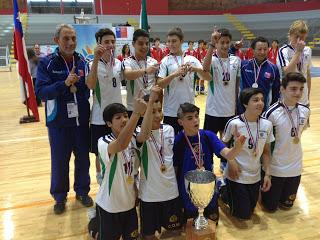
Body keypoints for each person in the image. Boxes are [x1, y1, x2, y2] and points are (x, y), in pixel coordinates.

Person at [36, 24, 93, 214]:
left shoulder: (82, 60)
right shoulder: (47, 63)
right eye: (66, 39)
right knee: (60, 161)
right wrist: (64, 83)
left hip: (81, 122)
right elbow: (42, 92)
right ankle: (60, 197)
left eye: (73, 38)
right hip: (58, 123)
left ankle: (82, 191)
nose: (70, 42)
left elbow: (86, 88)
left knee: (83, 160)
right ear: (56, 41)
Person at [173, 103, 245, 224]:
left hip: (209, 191)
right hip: (188, 193)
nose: (195, 120)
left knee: (212, 225)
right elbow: (175, 167)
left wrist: (237, 148)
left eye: (196, 116)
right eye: (190, 118)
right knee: (193, 227)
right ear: (181, 122)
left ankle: (220, 187)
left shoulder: (208, 136)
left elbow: (229, 155)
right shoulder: (178, 141)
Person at [95, 93, 148, 240]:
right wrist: (136, 114)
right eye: (118, 117)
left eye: (125, 116)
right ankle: (94, 226)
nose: (124, 120)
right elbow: (120, 144)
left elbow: (145, 132)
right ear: (108, 123)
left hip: (129, 205)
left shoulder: (133, 136)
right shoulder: (103, 141)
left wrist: (147, 107)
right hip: (109, 207)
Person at [136, 87, 182, 239]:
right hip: (149, 195)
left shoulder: (169, 129)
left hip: (170, 191)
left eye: (159, 110)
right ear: (145, 113)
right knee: (148, 236)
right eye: (153, 111)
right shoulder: (137, 132)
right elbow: (143, 135)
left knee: (174, 232)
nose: (158, 115)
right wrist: (148, 104)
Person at [261, 72, 310, 212]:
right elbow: (265, 145)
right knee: (270, 208)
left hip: (295, 166)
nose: (298, 92)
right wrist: (267, 172)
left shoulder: (305, 111)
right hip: (275, 168)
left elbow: (300, 132)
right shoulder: (271, 113)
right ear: (282, 89)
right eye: (293, 89)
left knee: (287, 206)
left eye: (301, 89)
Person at [222, 88, 274, 220]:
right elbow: (222, 146)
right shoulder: (234, 123)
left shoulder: (267, 125)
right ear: (245, 103)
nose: (260, 103)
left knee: (250, 211)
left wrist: (267, 174)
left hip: (255, 176)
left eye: (262, 100)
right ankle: (222, 188)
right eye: (255, 100)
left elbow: (267, 152)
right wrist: (231, 161)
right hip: (236, 175)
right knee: (242, 215)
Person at [86, 28, 123, 185]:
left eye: (113, 42)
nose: (110, 45)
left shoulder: (119, 64)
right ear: (99, 43)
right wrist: (95, 59)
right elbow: (90, 84)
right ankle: (102, 185)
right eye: (106, 42)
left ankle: (118, 183)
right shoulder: (90, 63)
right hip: (99, 119)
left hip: (118, 119)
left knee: (120, 150)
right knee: (99, 154)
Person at [202, 28, 241, 172]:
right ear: (217, 44)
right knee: (208, 142)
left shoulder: (236, 60)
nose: (224, 45)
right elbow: (204, 70)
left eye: (227, 42)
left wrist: (236, 105)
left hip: (230, 111)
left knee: (226, 142)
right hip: (213, 110)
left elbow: (237, 84)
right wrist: (211, 45)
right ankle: (208, 166)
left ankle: (225, 167)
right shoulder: (211, 60)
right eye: (221, 42)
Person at [157, 27, 206, 135]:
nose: (171, 44)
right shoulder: (165, 61)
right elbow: (159, 84)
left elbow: (206, 77)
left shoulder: (192, 59)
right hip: (171, 111)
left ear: (181, 41)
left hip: (189, 111)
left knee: (189, 144)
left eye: (174, 41)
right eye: (168, 41)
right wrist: (174, 74)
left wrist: (196, 69)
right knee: (171, 146)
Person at [232, 36, 280, 113]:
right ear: (252, 50)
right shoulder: (243, 65)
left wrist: (273, 111)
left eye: (265, 49)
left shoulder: (273, 68)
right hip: (243, 110)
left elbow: (276, 92)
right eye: (259, 49)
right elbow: (226, 58)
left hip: (263, 111)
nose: (262, 52)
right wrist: (234, 48)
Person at [122, 29, 159, 118]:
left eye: (147, 43)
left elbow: (158, 85)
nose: (144, 46)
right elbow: (128, 74)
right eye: (141, 43)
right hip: (133, 109)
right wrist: (146, 71)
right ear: (133, 44)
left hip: (151, 108)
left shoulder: (153, 62)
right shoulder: (127, 62)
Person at [277, 20, 312, 106]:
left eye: (303, 37)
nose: (299, 40)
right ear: (290, 34)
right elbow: (287, 72)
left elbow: (307, 74)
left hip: (303, 98)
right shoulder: (283, 51)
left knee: (305, 119)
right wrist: (298, 52)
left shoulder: (307, 50)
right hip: (288, 98)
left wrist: (307, 96)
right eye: (297, 37)